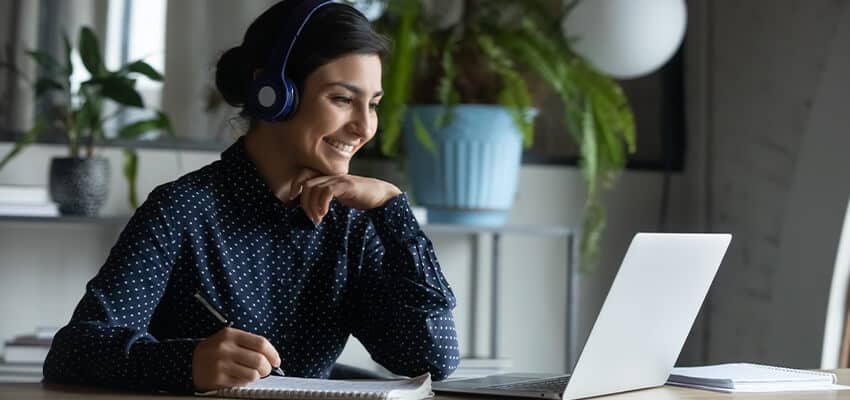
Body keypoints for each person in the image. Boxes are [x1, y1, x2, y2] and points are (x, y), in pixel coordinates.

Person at [43, 0, 460, 393]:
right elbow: (73, 351)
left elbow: (433, 357)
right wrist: (187, 363)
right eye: (342, 99)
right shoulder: (181, 209)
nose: (363, 127)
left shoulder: (353, 223)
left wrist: (392, 208)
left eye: (373, 105)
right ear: (274, 94)